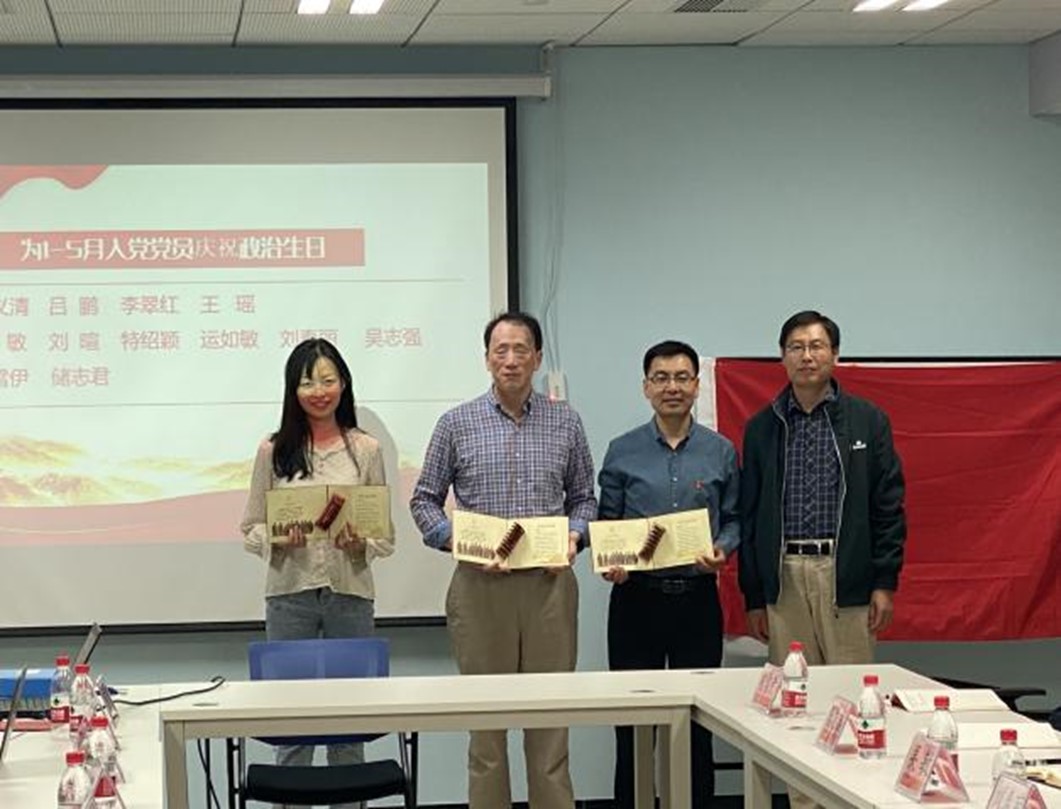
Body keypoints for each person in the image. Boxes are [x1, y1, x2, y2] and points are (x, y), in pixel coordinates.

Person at [410, 311, 596, 809]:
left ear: (537, 358)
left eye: (521, 350)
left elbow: (584, 498)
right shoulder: (456, 423)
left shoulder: (566, 421)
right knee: (486, 730)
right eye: (501, 350)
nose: (511, 360)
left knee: (550, 726)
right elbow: (424, 501)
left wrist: (575, 537)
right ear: (487, 359)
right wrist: (459, 542)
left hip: (549, 588)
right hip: (480, 589)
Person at [241, 338, 393, 809]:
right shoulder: (272, 450)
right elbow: (250, 527)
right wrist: (277, 538)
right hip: (290, 593)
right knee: (292, 727)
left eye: (328, 380)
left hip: (350, 593)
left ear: (343, 384)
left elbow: (385, 534)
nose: (319, 391)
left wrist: (361, 542)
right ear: (293, 389)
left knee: (350, 726)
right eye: (308, 382)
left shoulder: (365, 449)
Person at [597, 339, 739, 809]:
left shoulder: (720, 451)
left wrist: (722, 548)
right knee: (632, 723)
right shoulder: (622, 450)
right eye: (661, 378)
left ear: (696, 386)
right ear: (646, 387)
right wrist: (612, 563)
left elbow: (734, 518)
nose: (671, 387)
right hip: (635, 599)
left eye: (681, 378)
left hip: (697, 600)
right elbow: (607, 521)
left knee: (697, 721)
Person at [738, 309, 906, 664]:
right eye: (796, 347)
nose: (807, 356)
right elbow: (749, 517)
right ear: (782, 356)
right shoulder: (762, 427)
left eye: (816, 346)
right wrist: (754, 596)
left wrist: (884, 583)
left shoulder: (868, 421)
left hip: (846, 576)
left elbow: (887, 508)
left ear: (835, 354)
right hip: (784, 578)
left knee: (849, 686)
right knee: (793, 687)